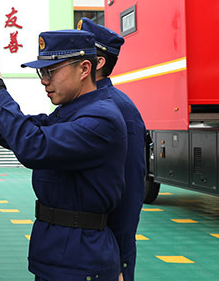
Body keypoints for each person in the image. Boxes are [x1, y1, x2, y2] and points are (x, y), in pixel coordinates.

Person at [0, 30, 127, 281]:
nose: (44, 80)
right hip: (58, 252)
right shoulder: (73, 111)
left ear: (84, 68)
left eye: (51, 71)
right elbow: (11, 136)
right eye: (41, 72)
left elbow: (33, 147)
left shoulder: (100, 118)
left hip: (81, 257)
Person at [77, 17, 147, 281]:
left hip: (104, 256)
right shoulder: (82, 101)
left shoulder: (120, 110)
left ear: (98, 63)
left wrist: (120, 261)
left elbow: (130, 193)